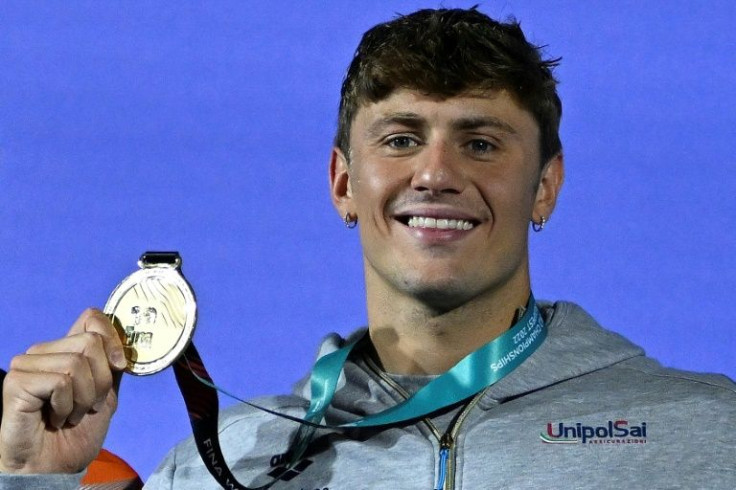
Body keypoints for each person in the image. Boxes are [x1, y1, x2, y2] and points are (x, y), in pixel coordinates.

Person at [1, 7, 734, 489]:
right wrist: (33, 477)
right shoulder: (216, 466)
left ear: (545, 187)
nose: (438, 173)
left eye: (480, 142)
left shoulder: (707, 437)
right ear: (344, 183)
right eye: (402, 139)